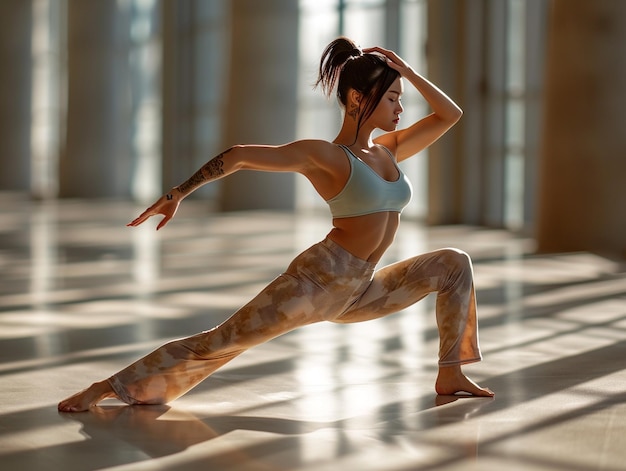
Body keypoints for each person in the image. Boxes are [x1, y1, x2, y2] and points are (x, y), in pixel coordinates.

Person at [58, 37, 493, 413]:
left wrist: (408, 71)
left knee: (453, 264)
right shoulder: (325, 155)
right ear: (359, 99)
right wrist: (179, 192)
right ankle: (103, 388)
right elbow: (240, 153)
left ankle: (450, 374)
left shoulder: (389, 151)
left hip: (360, 289)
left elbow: (449, 115)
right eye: (393, 97)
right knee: (219, 342)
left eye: (401, 97)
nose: (401, 107)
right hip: (317, 283)